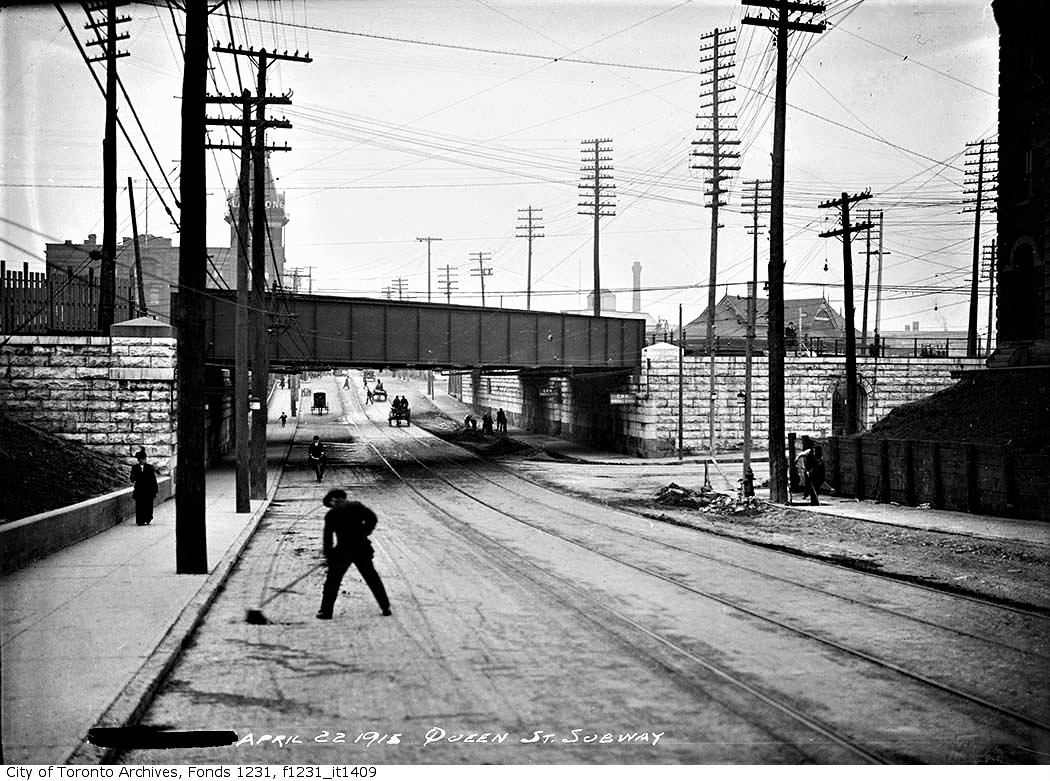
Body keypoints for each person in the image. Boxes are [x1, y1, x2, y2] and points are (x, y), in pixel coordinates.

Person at [317, 489, 391, 620]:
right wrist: (363, 533)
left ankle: (326, 611)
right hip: (361, 548)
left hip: (343, 551)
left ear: (333, 499)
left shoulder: (332, 514)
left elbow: (327, 538)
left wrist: (329, 555)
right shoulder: (357, 507)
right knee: (372, 577)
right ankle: (385, 607)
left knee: (333, 581)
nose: (334, 503)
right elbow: (372, 519)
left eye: (332, 501)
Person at [130, 449, 158, 526]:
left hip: (148, 490)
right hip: (139, 490)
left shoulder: (149, 467)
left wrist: (155, 490)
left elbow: (153, 479)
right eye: (139, 460)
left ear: (145, 459)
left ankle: (148, 518)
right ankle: (140, 520)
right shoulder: (135, 468)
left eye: (142, 459)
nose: (141, 461)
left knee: (148, 505)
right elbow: (132, 479)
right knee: (139, 505)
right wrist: (133, 477)